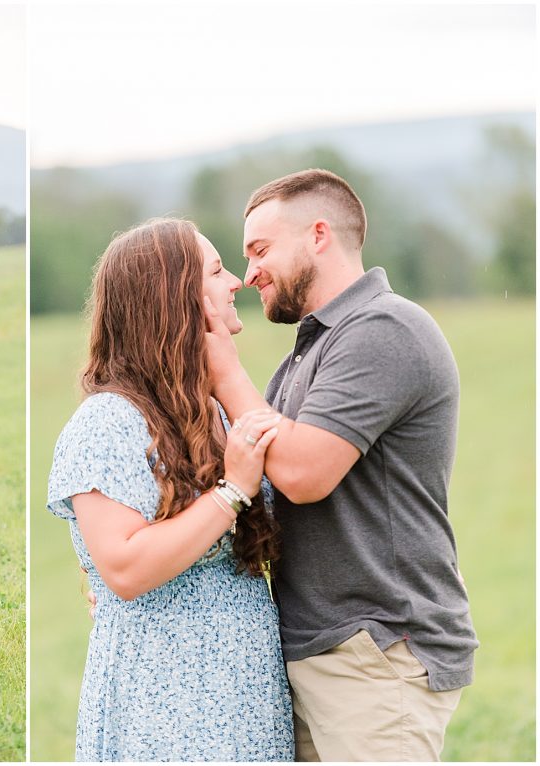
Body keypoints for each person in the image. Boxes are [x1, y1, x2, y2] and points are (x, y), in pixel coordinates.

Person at [203, 169, 478, 761]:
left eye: (260, 249)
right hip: (321, 651)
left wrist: (224, 369)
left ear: (319, 235)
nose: (248, 272)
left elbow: (301, 477)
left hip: (377, 653)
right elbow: (257, 488)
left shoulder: (383, 328)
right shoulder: (312, 350)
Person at [47, 218, 294, 762]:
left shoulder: (210, 412)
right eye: (215, 270)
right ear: (174, 298)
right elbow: (127, 569)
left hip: (244, 692)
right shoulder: (109, 420)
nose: (236, 281)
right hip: (163, 699)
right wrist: (232, 492)